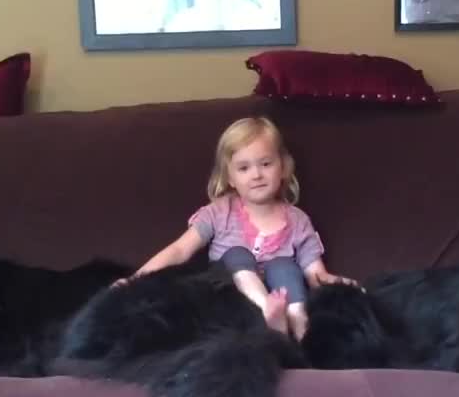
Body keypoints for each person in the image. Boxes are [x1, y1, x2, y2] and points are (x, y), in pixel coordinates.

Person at [117, 116, 356, 340]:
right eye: (244, 168)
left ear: (283, 167)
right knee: (235, 254)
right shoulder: (219, 212)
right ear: (230, 177)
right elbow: (180, 250)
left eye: (265, 163)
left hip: (284, 303)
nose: (257, 175)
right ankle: (266, 309)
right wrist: (135, 280)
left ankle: (298, 326)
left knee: (284, 265)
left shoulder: (298, 220)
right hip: (230, 308)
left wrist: (341, 285)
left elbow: (316, 274)